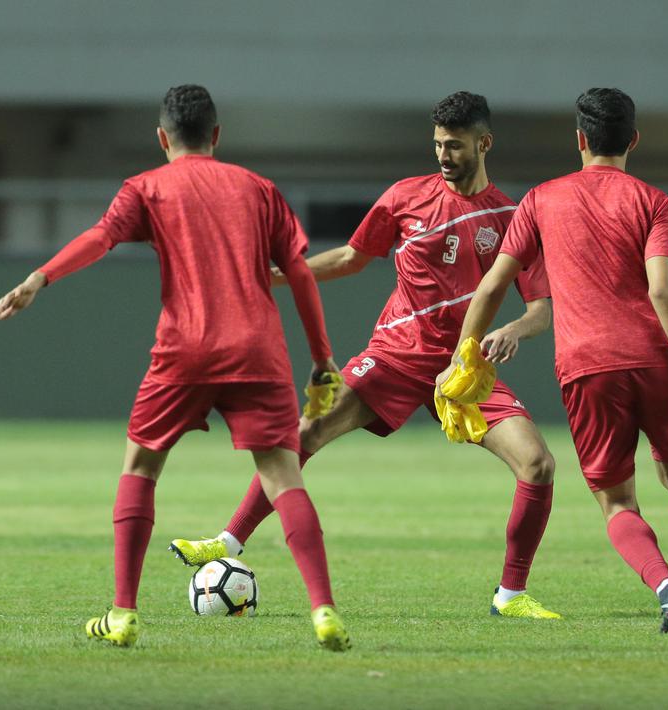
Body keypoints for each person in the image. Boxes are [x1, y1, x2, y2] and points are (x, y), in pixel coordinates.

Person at [170, 92, 562, 619]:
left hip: (464, 368)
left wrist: (514, 328)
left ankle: (510, 597)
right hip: (396, 356)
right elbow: (353, 257)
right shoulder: (406, 196)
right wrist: (276, 276)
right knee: (304, 431)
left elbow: (542, 306)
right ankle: (229, 541)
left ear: (484, 143)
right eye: (438, 145)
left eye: (456, 146)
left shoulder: (511, 217)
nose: (444, 156)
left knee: (538, 465)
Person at [0, 84, 351, 651]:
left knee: (140, 467)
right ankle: (324, 610)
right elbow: (302, 273)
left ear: (162, 137)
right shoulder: (259, 189)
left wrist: (41, 276)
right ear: (216, 135)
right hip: (258, 349)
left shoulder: (148, 187)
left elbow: (100, 238)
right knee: (283, 475)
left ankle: (123, 614)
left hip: (183, 349)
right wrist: (322, 355)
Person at [448, 88, 668, 633]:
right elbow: (663, 291)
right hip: (650, 359)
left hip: (586, 368)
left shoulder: (541, 199)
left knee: (618, 502)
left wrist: (465, 358)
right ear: (634, 140)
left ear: (579, 139)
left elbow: (489, 289)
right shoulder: (654, 202)